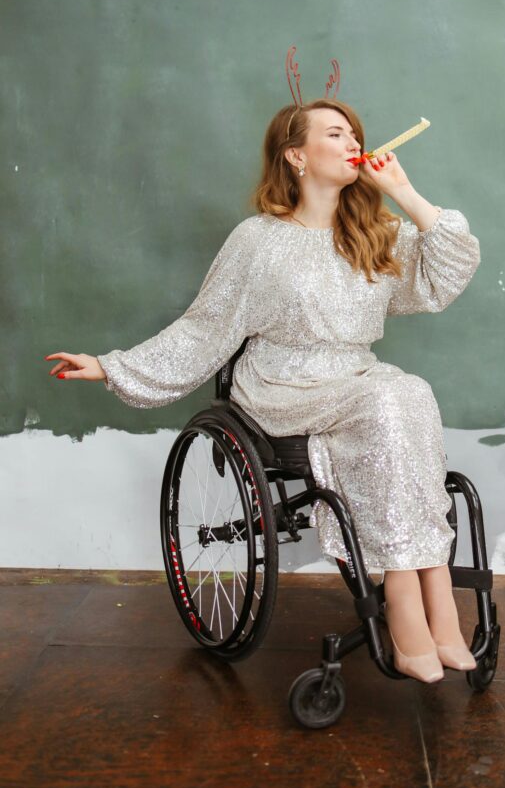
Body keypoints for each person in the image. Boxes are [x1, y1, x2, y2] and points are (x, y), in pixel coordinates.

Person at [45, 96, 481, 684]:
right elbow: (205, 328)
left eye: (355, 132)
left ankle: (438, 607)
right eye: (335, 133)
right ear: (296, 155)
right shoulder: (257, 240)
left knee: (409, 393)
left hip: (356, 377)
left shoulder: (373, 234)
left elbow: (449, 268)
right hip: (282, 383)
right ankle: (408, 610)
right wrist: (110, 366)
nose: (353, 141)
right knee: (388, 398)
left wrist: (402, 192)